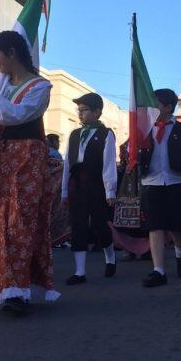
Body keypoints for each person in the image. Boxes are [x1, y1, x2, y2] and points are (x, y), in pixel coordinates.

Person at [0, 31, 59, 314]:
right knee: (0, 221)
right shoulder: (2, 88)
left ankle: (20, 290)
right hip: (3, 158)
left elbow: (18, 115)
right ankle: (7, 287)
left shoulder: (40, 87)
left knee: (21, 221)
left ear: (12, 53)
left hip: (27, 157)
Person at [138, 89, 181, 287]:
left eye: (156, 104)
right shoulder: (144, 128)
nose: (152, 108)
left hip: (176, 181)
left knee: (177, 225)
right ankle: (159, 270)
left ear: (167, 107)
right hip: (151, 182)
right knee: (155, 225)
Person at [61, 92, 118, 284]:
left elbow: (109, 163)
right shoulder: (75, 134)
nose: (80, 113)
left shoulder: (106, 133)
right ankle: (79, 272)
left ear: (97, 112)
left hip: (97, 183)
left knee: (100, 224)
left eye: (84, 110)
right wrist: (64, 191)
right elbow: (68, 163)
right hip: (78, 183)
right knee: (78, 224)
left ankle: (110, 257)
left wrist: (110, 191)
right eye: (79, 110)